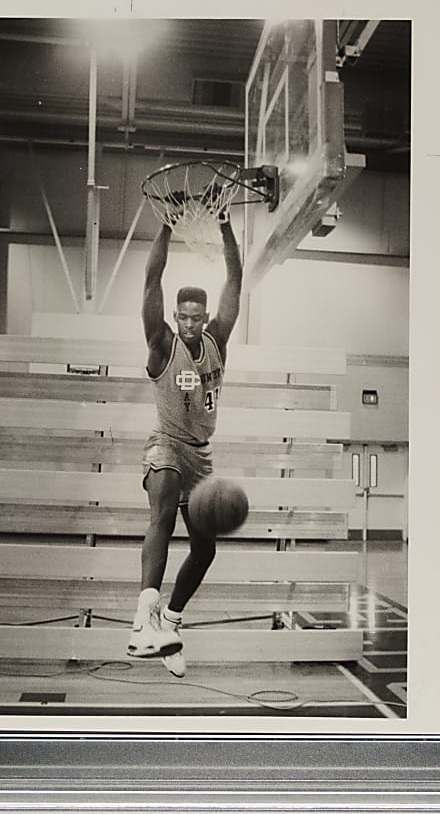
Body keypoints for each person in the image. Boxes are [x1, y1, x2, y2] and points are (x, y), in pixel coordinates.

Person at [127, 216, 242, 677]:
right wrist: (166, 228)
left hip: (202, 454)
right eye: (185, 317)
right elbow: (152, 279)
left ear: (206, 315)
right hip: (167, 444)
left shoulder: (218, 340)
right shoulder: (161, 344)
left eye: (198, 316)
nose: (192, 324)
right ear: (175, 317)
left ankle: (171, 622)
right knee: (162, 510)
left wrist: (227, 226)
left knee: (206, 549)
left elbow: (235, 277)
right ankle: (144, 617)